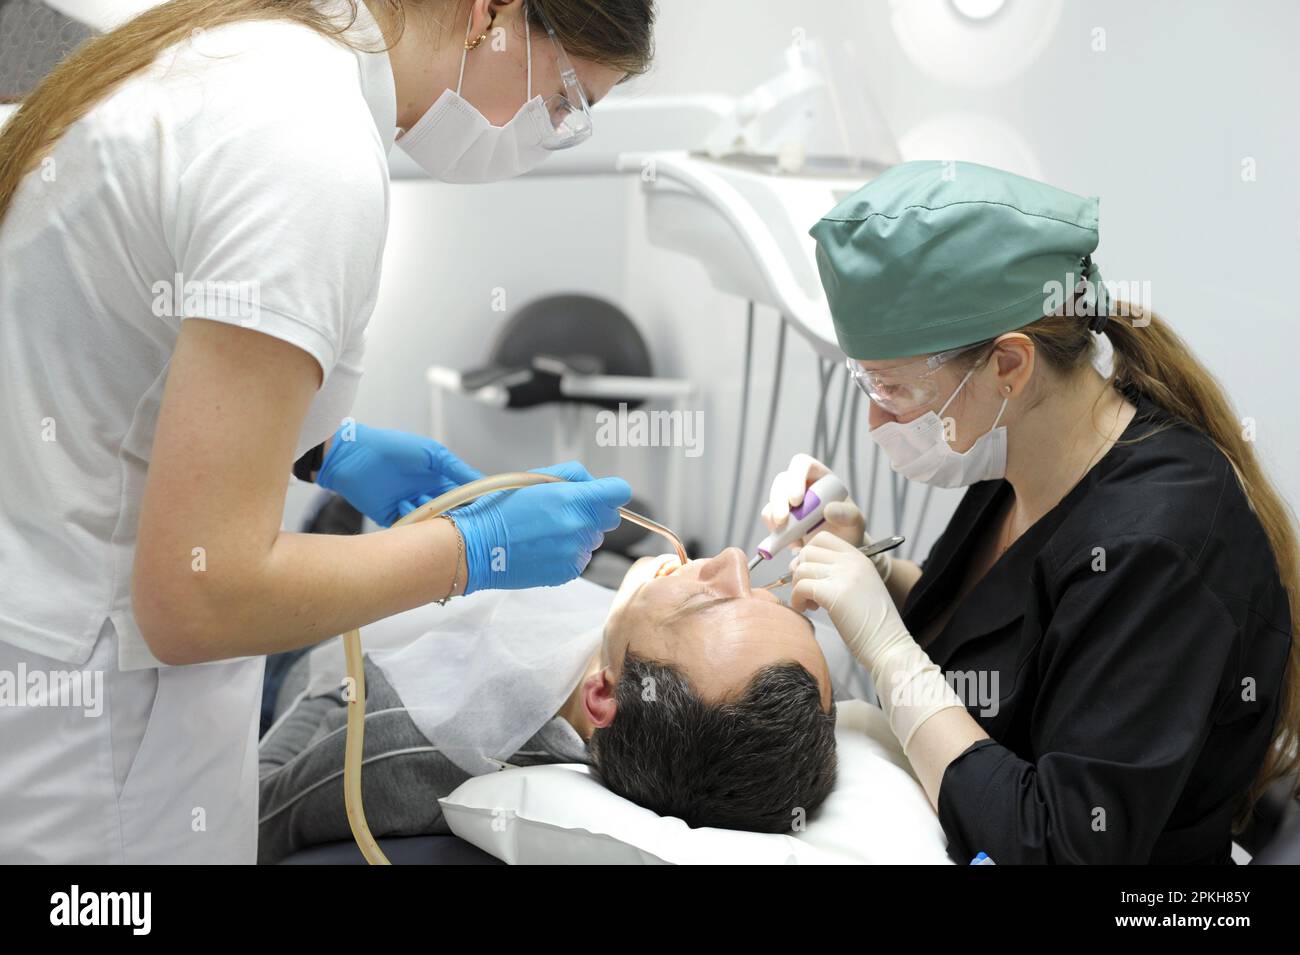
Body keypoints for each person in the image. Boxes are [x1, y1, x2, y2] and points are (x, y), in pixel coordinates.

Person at [0, 0, 654, 863]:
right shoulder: (308, 151)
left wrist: (321, 446)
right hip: (94, 737)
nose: (551, 131)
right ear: (490, 15)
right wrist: (473, 551)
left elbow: (106, 343)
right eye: (566, 99)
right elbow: (201, 594)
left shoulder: (253, 57)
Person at [764, 160, 1298, 864]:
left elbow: (1063, 843)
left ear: (1008, 366)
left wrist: (890, 654)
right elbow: (1022, 632)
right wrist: (870, 567)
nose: (873, 420)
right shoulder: (1022, 454)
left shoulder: (1160, 543)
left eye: (890, 387)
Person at [257, 549, 837, 861]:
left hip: (317, 661)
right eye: (773, 598)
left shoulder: (399, 748)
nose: (733, 559)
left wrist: (319, 671)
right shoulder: (647, 671)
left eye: (706, 603)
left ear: (604, 694)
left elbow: (254, 817)